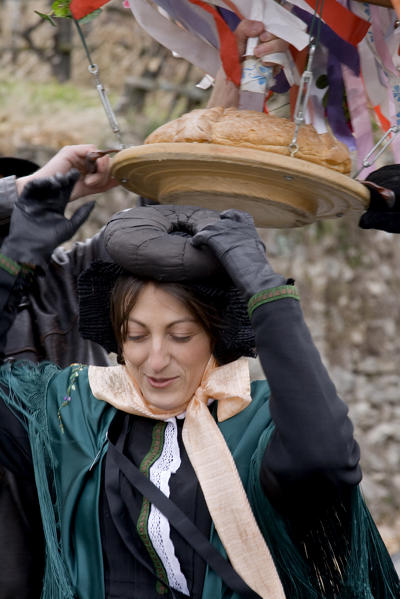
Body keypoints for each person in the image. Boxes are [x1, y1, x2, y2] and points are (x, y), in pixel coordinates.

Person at [0, 200, 398, 599]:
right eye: (136, 335)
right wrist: (16, 254)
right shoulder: (71, 409)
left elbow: (325, 458)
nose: (155, 360)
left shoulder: (256, 423)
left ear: (216, 336)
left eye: (181, 336)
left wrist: (266, 290)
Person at [0, 146, 117, 599]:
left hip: (78, 516)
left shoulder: (71, 277)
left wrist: (151, 171)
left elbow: (152, 236)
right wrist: (30, 188)